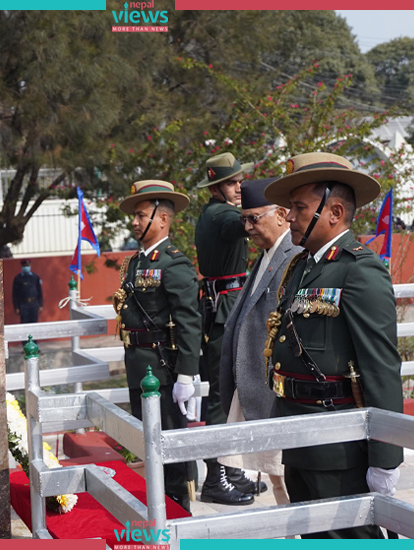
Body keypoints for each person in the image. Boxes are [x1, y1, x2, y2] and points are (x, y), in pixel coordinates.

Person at [262, 152, 404, 539]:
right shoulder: (302, 266)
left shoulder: (359, 269)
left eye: (298, 207)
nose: (289, 216)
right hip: (298, 431)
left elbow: (380, 366)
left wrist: (386, 457)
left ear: (334, 211)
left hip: (336, 444)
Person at [114, 180, 202, 511]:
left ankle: (177, 510)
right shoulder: (135, 263)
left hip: (163, 370)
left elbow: (189, 322)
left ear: (162, 219)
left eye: (140, 215)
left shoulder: (173, 263)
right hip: (138, 365)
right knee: (149, 448)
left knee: (169, 450)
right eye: (134, 216)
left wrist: (186, 376)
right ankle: (159, 508)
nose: (134, 222)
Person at [216, 178, 301, 506]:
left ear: (281, 214)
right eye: (244, 219)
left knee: (289, 481)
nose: (248, 227)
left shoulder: (293, 258)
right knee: (277, 482)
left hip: (274, 395)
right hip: (253, 389)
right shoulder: (266, 256)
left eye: (254, 218)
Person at [193, 152, 258, 504]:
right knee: (221, 397)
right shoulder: (223, 214)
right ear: (217, 186)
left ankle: (231, 470)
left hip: (224, 303)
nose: (239, 188)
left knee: (229, 393)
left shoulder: (211, 212)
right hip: (226, 307)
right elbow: (251, 223)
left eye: (239, 181)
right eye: (233, 182)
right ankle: (216, 478)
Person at [12, 259, 43, 323]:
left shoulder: (35, 277)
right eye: (24, 265)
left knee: (34, 323)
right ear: (22, 266)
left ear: (30, 265)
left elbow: (39, 292)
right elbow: (15, 294)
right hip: (23, 304)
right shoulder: (18, 278)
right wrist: (16, 307)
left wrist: (40, 305)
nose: (26, 267)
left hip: (34, 304)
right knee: (24, 323)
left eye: (27, 265)